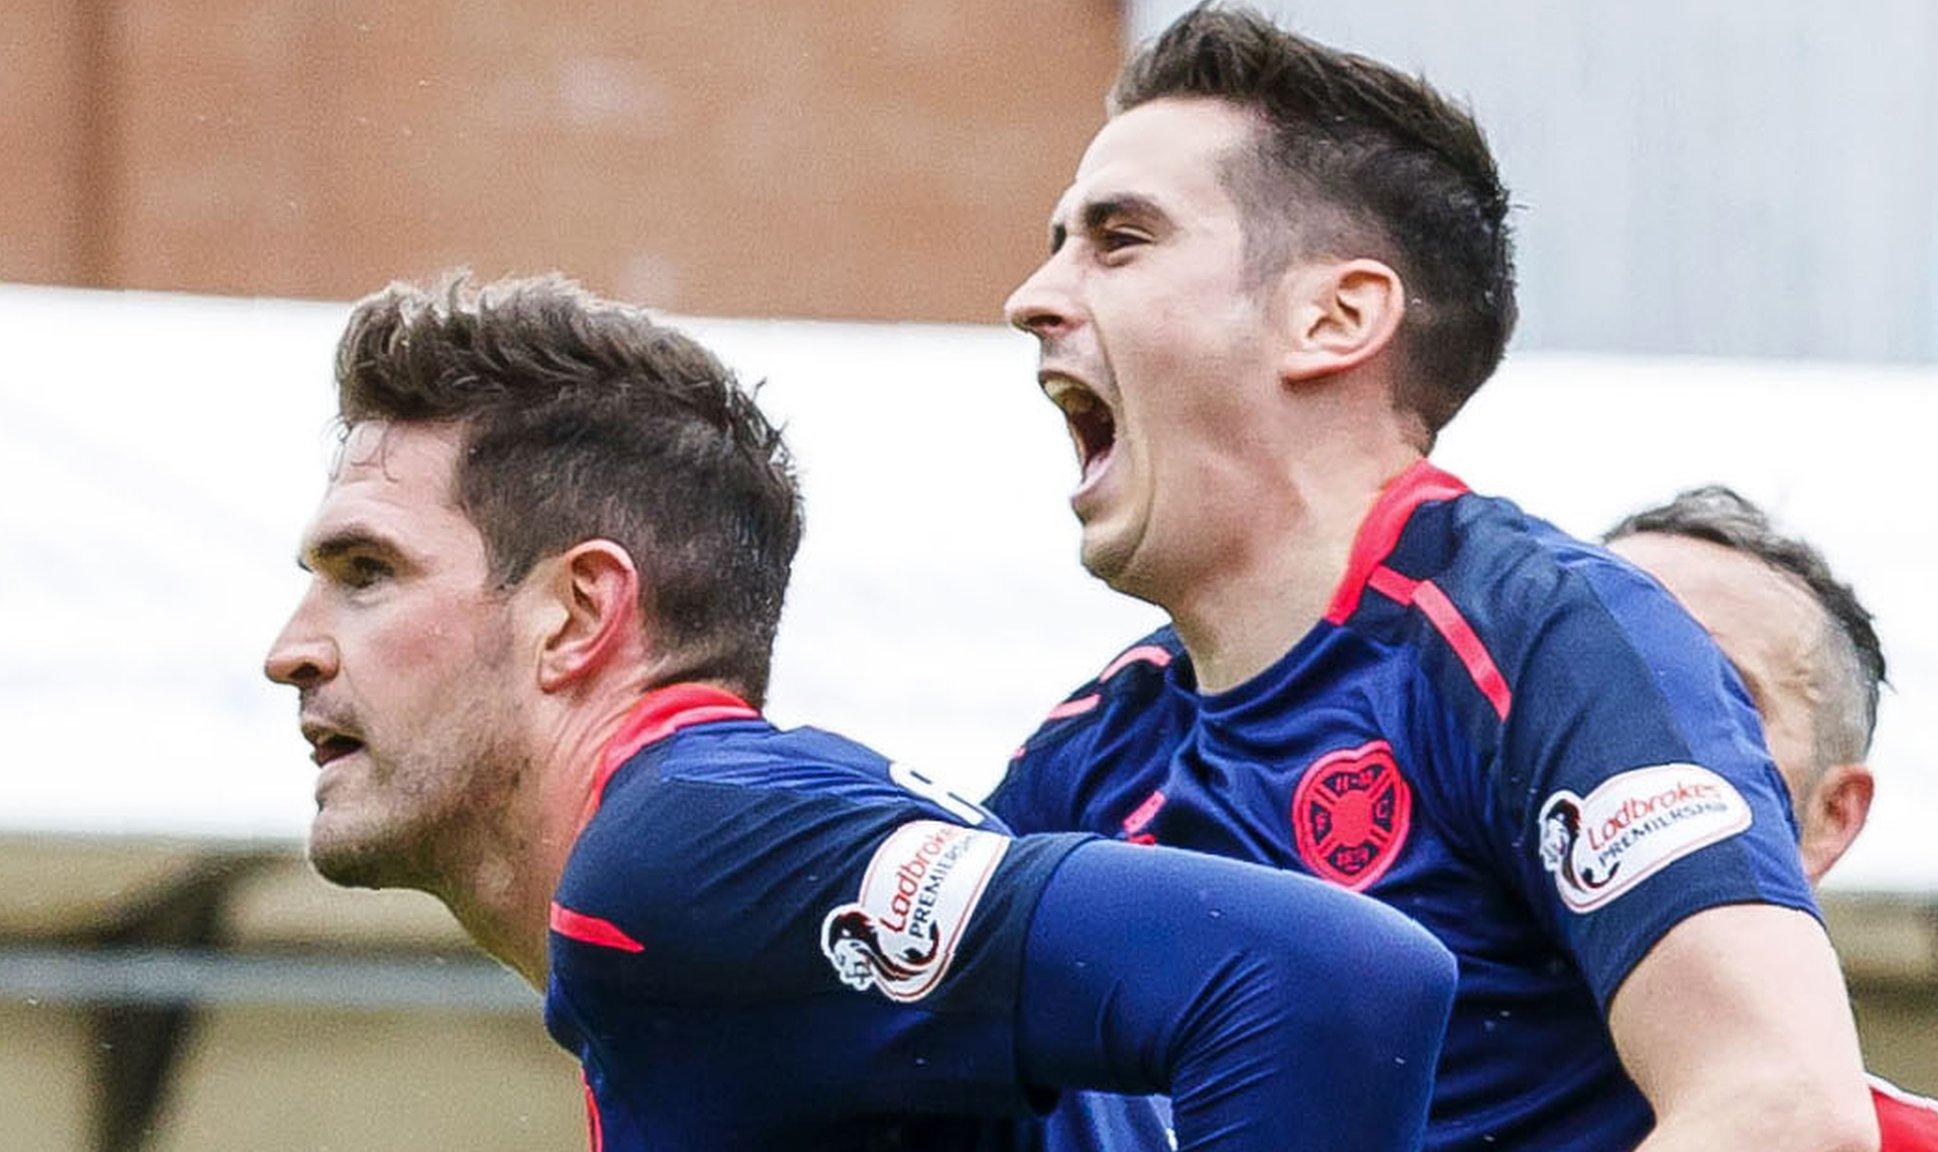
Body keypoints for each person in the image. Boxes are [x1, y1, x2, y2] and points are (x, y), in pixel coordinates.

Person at [261, 274, 1458, 1152]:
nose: (290, 650)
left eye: (366, 571)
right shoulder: (709, 880)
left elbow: (1330, 978)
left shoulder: (680, 853)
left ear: (578, 615)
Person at [992, 6, 1876, 1149]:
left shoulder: (1545, 639)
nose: (1033, 296)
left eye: (1118, 240)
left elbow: (1781, 1108)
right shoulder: (1091, 750)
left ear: (1333, 318)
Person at [1606, 487, 1938, 1152]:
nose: (1614, 729)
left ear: (1830, 817)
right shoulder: (1387, 1071)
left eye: (1717, 694)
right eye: (1578, 677)